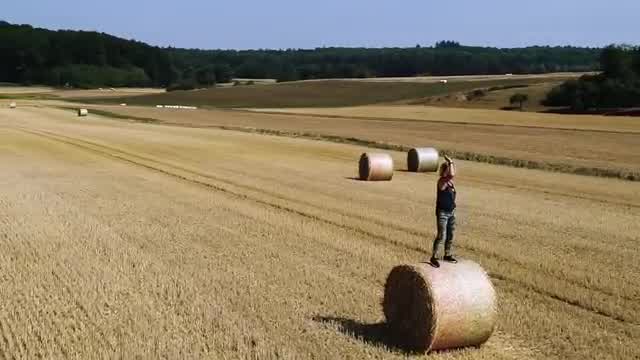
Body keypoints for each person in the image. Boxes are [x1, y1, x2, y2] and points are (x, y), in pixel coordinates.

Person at [430, 155, 457, 268]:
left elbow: (452, 174)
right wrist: (450, 161)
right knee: (441, 235)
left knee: (450, 235)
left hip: (451, 212)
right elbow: (452, 174)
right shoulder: (442, 181)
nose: (451, 170)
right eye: (449, 168)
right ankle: (434, 257)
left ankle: (447, 254)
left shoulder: (450, 183)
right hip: (443, 213)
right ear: (445, 170)